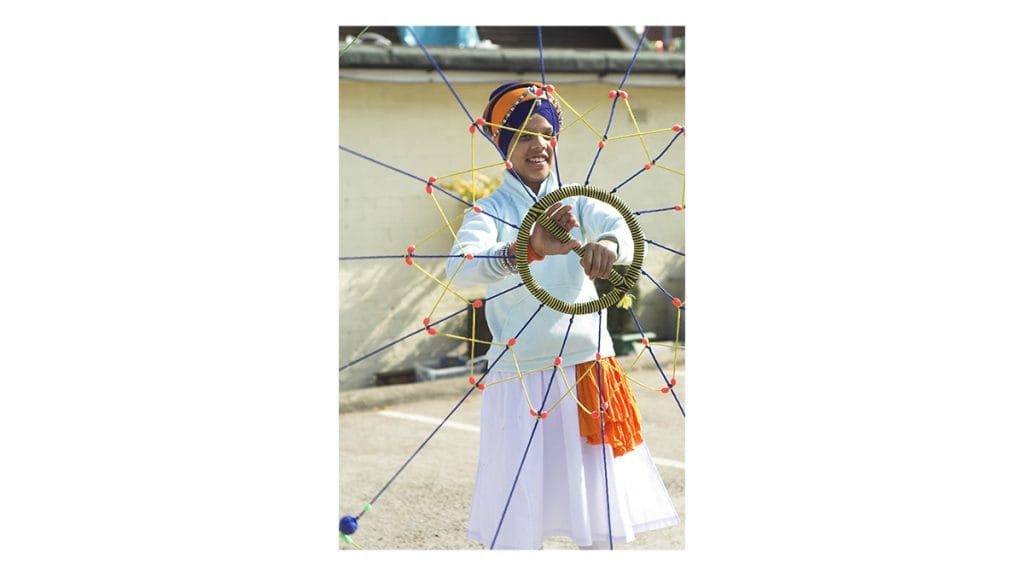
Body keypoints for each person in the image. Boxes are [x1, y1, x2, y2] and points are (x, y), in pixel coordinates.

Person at [444, 81, 679, 550]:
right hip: (521, 377)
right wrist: (526, 247)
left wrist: (610, 245)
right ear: (505, 147)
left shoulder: (576, 201)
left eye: (547, 134)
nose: (541, 145)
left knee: (598, 517)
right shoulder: (491, 210)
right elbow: (459, 271)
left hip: (587, 370)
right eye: (527, 135)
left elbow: (622, 227)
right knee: (519, 519)